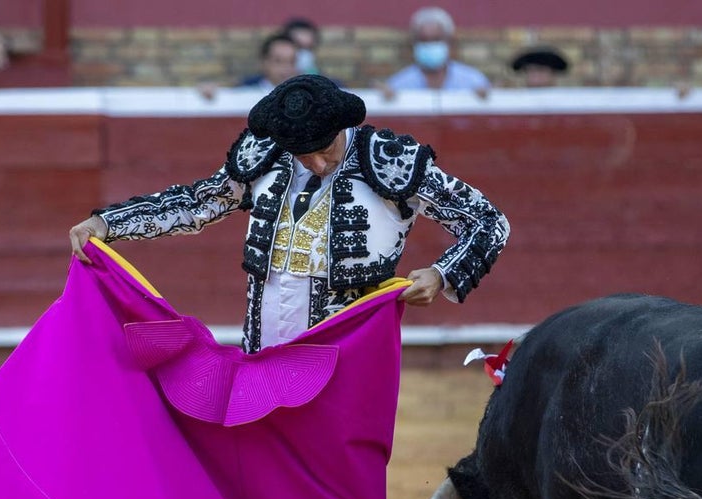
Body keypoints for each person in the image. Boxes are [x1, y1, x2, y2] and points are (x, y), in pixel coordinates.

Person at [69, 74, 510, 353]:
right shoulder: (267, 155)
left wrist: (442, 273)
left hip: (348, 339)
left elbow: (487, 221)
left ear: (343, 127)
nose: (318, 164)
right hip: (264, 331)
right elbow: (199, 202)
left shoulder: (391, 160)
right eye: (305, 154)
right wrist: (109, 223)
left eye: (326, 149)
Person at [382, 7, 490, 96]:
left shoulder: (473, 81)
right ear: (414, 43)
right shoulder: (398, 84)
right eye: (424, 40)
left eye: (436, 39)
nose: (430, 45)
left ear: (449, 42)